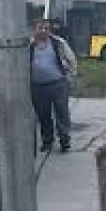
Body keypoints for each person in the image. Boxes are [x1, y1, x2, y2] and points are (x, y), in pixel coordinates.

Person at [30, 19, 77, 153]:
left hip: (58, 84)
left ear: (50, 30)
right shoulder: (29, 45)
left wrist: (71, 77)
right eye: (40, 28)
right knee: (44, 116)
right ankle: (47, 141)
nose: (43, 30)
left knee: (62, 113)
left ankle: (64, 140)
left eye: (46, 28)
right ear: (34, 29)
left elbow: (71, 59)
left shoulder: (58, 43)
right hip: (38, 87)